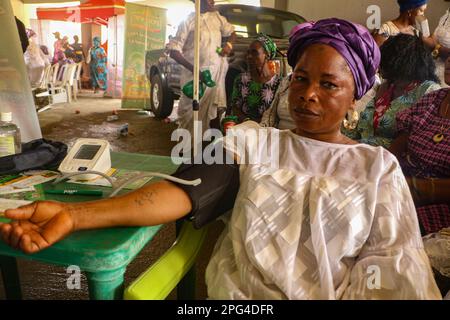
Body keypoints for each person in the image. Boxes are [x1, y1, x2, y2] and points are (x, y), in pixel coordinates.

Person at [0, 18, 442, 300]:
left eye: (329, 85)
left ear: (355, 96)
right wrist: (75, 215)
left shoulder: (376, 168)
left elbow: (391, 271)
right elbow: (180, 192)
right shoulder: (254, 144)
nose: (308, 93)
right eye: (302, 78)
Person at [344, 34, 440, 149]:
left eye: (385, 62)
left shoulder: (428, 91)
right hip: (359, 150)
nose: (380, 67)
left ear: (401, 64)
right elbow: (361, 129)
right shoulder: (386, 87)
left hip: (390, 159)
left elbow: (418, 140)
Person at [389, 56, 450, 236]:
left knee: (388, 227)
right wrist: (382, 173)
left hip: (441, 202)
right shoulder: (433, 99)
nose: (449, 62)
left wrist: (417, 188)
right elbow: (395, 151)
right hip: (404, 182)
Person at [167, 0, 236, 135]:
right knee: (190, 113)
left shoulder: (216, 18)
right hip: (194, 77)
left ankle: (211, 149)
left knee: (213, 112)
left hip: (215, 74)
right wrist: (196, 71)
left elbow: (232, 33)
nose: (213, 1)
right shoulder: (188, 21)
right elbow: (174, 51)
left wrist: (228, 45)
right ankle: (188, 149)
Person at [230, 34, 281, 123]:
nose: (249, 56)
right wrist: (249, 123)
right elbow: (235, 108)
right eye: (248, 53)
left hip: (268, 131)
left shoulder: (278, 83)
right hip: (244, 128)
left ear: (267, 55)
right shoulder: (241, 80)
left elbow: (277, 114)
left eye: (254, 53)